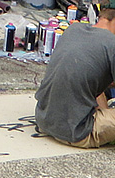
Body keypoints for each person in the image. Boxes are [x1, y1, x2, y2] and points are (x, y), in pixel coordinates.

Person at [34, 8, 115, 147]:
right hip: (78, 133)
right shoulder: (112, 43)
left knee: (93, 79)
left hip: (44, 120)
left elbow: (86, 71)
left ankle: (102, 114)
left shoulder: (73, 29)